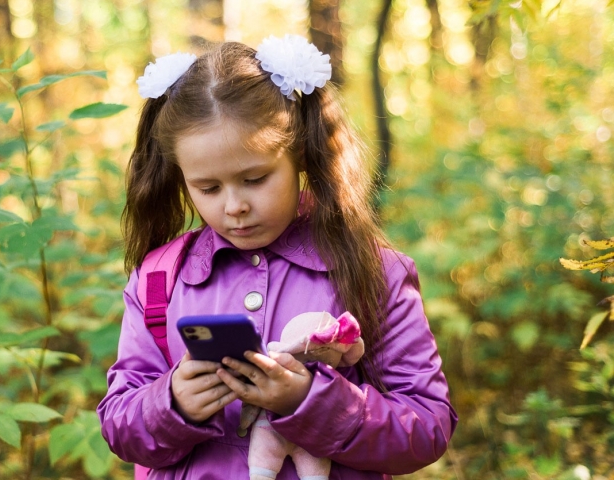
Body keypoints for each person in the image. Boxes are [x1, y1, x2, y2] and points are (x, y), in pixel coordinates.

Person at [97, 34, 457, 480]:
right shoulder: (159, 279)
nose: (234, 206)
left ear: (300, 156)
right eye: (207, 188)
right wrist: (171, 403)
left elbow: (426, 427)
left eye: (255, 178)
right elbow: (118, 423)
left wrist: (309, 401)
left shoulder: (373, 270)